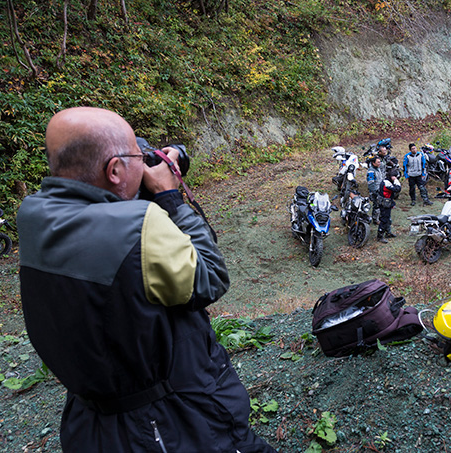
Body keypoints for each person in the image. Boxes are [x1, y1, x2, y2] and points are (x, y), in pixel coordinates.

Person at [16, 107, 276, 453]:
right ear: (114, 170)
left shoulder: (33, 215)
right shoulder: (138, 226)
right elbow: (210, 277)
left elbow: (98, 195)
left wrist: (134, 157)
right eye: (137, 158)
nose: (144, 162)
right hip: (171, 422)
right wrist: (171, 200)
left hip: (91, 423)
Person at [376, 169, 401, 243]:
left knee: (388, 219)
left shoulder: (387, 181)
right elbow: (397, 189)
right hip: (384, 203)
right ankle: (380, 236)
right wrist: (396, 181)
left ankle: (388, 233)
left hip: (387, 202)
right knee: (384, 219)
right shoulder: (387, 183)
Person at [366, 155, 384, 224]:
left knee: (380, 205)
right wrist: (374, 192)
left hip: (380, 190)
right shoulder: (371, 171)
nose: (380, 163)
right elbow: (370, 183)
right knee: (376, 206)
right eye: (378, 162)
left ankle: (378, 217)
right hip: (375, 191)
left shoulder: (378, 169)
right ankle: (375, 219)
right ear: (373, 163)